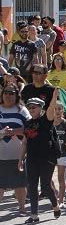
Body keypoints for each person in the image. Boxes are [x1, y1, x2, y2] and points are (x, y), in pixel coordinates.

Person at [20, 94, 62, 223]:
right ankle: (34, 215)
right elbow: (25, 142)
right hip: (32, 158)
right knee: (32, 186)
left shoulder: (46, 119)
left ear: (41, 108)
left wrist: (54, 96)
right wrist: (20, 159)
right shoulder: (28, 123)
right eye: (29, 107)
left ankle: (55, 205)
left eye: (34, 107)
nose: (32, 109)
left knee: (45, 185)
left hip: (47, 157)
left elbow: (51, 108)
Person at [0, 83, 29, 216]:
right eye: (6, 92)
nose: (8, 95)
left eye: (11, 93)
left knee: (20, 183)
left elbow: (30, 129)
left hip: (18, 154)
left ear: (17, 95)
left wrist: (15, 131)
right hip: (1, 154)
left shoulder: (21, 110)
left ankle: (22, 208)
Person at [53, 102, 66, 208]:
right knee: (47, 179)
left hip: (62, 153)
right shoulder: (49, 123)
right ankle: (54, 195)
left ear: (63, 111)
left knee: (61, 177)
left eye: (59, 109)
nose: (57, 111)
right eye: (55, 109)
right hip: (50, 154)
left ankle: (61, 200)